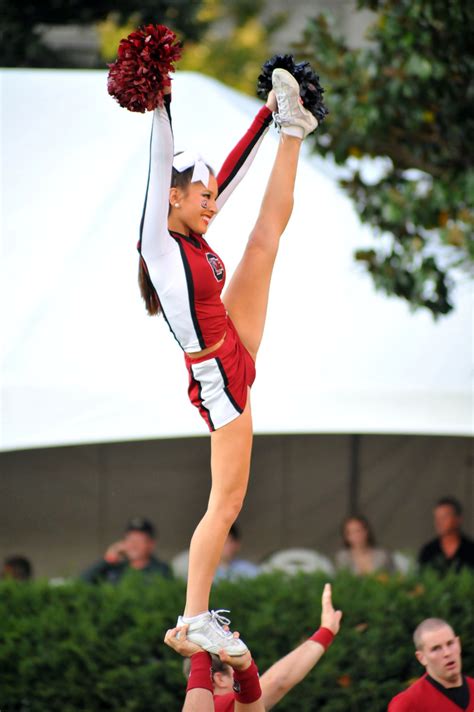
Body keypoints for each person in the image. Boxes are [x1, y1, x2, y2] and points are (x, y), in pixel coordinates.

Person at [138, 62, 319, 655]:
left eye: (213, 197)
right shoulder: (159, 244)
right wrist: (162, 102)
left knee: (263, 242)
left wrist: (269, 115)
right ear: (173, 195)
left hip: (229, 341)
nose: (212, 205)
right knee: (227, 501)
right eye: (202, 196)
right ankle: (193, 618)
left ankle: (296, 128)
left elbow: (234, 171)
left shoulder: (193, 231)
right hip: (216, 372)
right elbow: (157, 157)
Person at [165, 583, 342, 711]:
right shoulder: (222, 704)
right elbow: (277, 681)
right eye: (231, 666)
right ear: (219, 678)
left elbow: (279, 681)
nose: (256, 679)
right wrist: (325, 632)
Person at [388, 617, 474, 710]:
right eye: (436, 648)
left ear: (458, 643)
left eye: (450, 643)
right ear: (421, 658)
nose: (447, 653)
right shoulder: (407, 704)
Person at [80, 517, 171, 584]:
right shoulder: (116, 568)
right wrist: (108, 559)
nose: (133, 545)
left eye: (139, 540)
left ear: (151, 544)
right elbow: (81, 583)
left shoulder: (161, 570)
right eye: (130, 540)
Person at [418, 496, 474, 574]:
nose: (439, 522)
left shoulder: (471, 550)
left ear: (458, 519)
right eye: (436, 518)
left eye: (444, 517)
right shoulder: (428, 552)